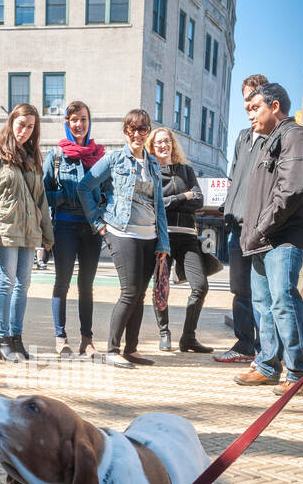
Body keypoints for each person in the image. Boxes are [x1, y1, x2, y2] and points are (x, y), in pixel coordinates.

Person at [236, 82, 303, 393]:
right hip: (261, 237)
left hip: (282, 235)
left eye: (255, 107)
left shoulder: (294, 134)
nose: (250, 114)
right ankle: (268, 364)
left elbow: (292, 190)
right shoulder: (268, 140)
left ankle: (299, 371)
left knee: (283, 299)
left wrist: (261, 228)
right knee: (264, 303)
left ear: (275, 106)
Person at [77, 109, 170, 369]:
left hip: (149, 235)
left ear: (148, 131)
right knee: (129, 292)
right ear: (126, 131)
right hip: (121, 232)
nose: (138, 134)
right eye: (133, 129)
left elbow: (159, 205)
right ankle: (112, 349)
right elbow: (85, 187)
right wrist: (98, 223)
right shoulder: (115, 158)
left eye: (143, 129)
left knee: (139, 294)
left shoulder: (152, 163)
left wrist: (163, 242)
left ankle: (131, 348)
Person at [0, 103, 54, 363]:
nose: (25, 131)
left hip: (29, 231)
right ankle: (2, 338)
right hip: (4, 227)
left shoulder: (32, 155)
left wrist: (47, 234)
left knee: (24, 284)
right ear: (11, 121)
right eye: (21, 124)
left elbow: (41, 200)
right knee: (7, 281)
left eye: (30, 127)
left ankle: (17, 338)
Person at [214, 74, 270, 365]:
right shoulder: (242, 137)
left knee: (263, 293)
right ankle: (245, 345)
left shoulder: (278, 135)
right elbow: (234, 177)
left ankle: (268, 351)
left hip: (261, 227)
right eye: (246, 100)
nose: (249, 105)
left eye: (254, 98)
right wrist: (226, 210)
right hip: (236, 226)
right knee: (240, 290)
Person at [43, 101, 106, 357]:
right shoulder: (56, 156)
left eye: (83, 119)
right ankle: (61, 338)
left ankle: (87, 340)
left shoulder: (100, 156)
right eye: (73, 120)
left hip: (91, 229)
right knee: (62, 283)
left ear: (89, 123)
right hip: (65, 227)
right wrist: (63, 196)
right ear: (67, 124)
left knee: (87, 286)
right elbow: (43, 194)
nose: (79, 124)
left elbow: (109, 193)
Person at [147, 127, 213, 354]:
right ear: (152, 148)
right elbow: (155, 204)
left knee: (201, 286)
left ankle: (188, 337)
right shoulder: (151, 171)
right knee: (161, 288)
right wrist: (182, 197)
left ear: (172, 144)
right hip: (162, 238)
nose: (163, 145)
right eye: (158, 143)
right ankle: (164, 333)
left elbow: (199, 200)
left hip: (187, 237)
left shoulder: (186, 170)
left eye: (167, 141)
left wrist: (173, 200)